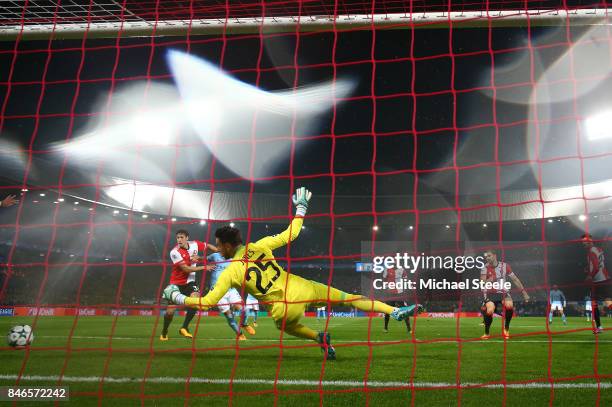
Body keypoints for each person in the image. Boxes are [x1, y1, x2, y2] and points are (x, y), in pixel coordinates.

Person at [163, 187, 420, 360]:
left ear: (228, 246)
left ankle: (319, 337)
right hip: (304, 287)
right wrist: (301, 208)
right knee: (350, 297)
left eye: (219, 245)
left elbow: (207, 302)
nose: (217, 249)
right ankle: (393, 311)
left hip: (284, 306)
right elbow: (292, 233)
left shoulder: (232, 270)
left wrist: (176, 296)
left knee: (285, 326)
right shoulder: (260, 245)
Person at [160, 229, 217, 341]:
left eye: (181, 237)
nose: (179, 240)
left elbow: (208, 245)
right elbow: (186, 269)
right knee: (170, 312)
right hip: (176, 284)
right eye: (178, 238)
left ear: (187, 238)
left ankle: (184, 327)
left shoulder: (194, 244)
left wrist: (218, 251)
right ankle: (164, 331)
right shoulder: (175, 252)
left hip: (190, 282)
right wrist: (204, 267)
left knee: (195, 301)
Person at [480, 250, 530, 339]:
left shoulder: (505, 266)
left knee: (509, 305)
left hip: (503, 292)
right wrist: (490, 279)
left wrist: (524, 293)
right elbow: (482, 282)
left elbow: (515, 279)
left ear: (494, 256)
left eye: (489, 256)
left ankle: (506, 329)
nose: (487, 258)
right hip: (490, 293)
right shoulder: (484, 267)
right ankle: (487, 333)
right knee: (490, 310)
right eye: (486, 257)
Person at [205, 251, 255, 340]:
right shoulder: (215, 255)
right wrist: (200, 260)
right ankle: (239, 334)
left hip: (230, 289)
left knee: (245, 310)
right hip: (217, 292)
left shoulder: (233, 259)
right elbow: (205, 259)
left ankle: (244, 324)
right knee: (229, 316)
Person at [582, 233, 611, 334]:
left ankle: (599, 327)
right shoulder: (599, 249)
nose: (584, 243)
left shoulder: (590, 252)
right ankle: (599, 327)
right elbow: (598, 264)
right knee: (608, 301)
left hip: (597, 281)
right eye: (583, 242)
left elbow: (595, 266)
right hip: (605, 278)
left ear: (590, 241)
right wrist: (588, 269)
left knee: (594, 304)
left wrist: (590, 275)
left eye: (585, 241)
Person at [382, 267, 412, 334]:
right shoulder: (387, 270)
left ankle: (409, 328)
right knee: (388, 310)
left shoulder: (402, 270)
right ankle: (385, 328)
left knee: (404, 310)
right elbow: (384, 279)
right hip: (390, 294)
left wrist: (404, 288)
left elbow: (405, 279)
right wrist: (387, 286)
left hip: (399, 294)